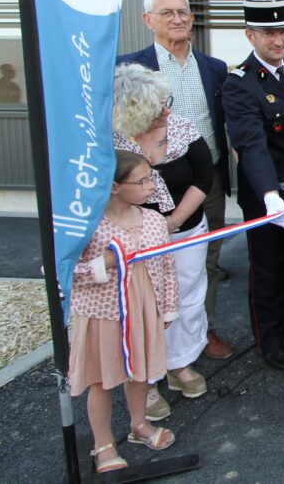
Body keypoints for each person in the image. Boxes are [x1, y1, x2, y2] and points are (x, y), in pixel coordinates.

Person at [118, 0, 233, 362]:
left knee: (204, 261)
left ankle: (201, 329)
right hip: (142, 188)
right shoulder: (128, 69)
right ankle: (153, 347)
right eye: (166, 12)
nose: (177, 18)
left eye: (183, 11)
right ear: (147, 19)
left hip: (204, 179)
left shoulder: (214, 68)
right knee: (151, 268)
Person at [222, 0, 284, 371]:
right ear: (250, 36)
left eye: (283, 32)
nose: (279, 41)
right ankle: (270, 339)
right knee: (266, 267)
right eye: (269, 34)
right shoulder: (240, 83)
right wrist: (270, 195)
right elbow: (251, 145)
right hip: (264, 192)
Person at [68, 150, 179, 474]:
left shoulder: (154, 220)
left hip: (144, 307)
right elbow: (62, 273)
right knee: (101, 380)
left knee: (140, 372)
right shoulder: (87, 226)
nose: (151, 187)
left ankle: (139, 423)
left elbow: (167, 265)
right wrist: (102, 263)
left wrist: (168, 307)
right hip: (103, 314)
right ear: (115, 186)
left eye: (150, 179)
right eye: (141, 181)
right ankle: (103, 444)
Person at [112, 63, 212, 420]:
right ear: (134, 113)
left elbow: (204, 176)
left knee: (187, 295)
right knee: (144, 304)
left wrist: (173, 221)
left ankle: (180, 363)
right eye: (157, 108)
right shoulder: (112, 143)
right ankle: (147, 379)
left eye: (165, 103)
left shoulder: (181, 128)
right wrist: (150, 229)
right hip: (135, 240)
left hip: (186, 229)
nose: (167, 111)